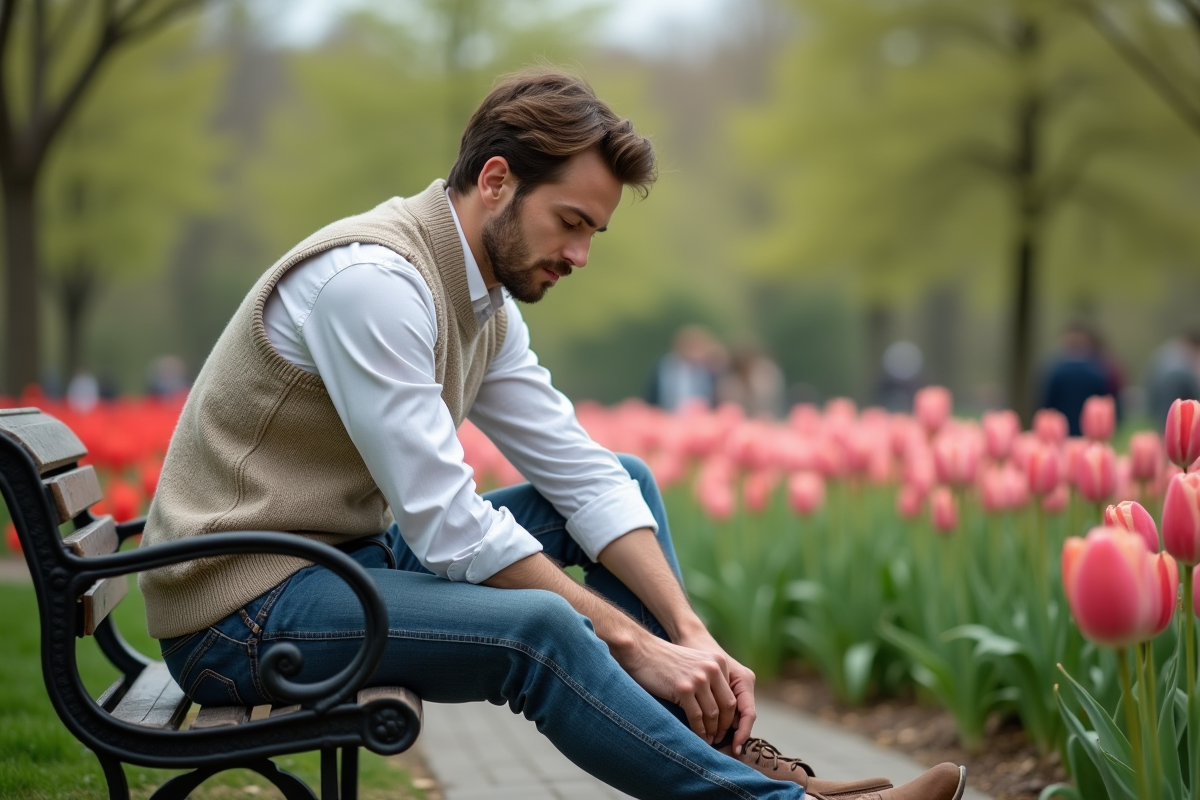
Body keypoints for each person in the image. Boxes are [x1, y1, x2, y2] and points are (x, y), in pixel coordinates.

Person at [139, 69, 965, 800]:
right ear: (496, 180)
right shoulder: (372, 285)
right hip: (239, 611)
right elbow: (444, 522)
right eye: (569, 222)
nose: (580, 254)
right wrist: (631, 642)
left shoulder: (483, 302)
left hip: (337, 567)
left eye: (593, 233)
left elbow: (582, 474)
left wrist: (690, 637)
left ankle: (728, 750)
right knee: (539, 628)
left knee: (628, 481)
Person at [1039, 323, 1109, 437]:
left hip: (1060, 432)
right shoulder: (1097, 372)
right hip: (1088, 434)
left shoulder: (1055, 372)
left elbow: (1046, 406)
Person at [647, 324, 724, 411]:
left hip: (699, 419)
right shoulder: (665, 366)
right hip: (667, 416)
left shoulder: (709, 369)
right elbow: (652, 396)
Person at [1147, 332, 1200, 430]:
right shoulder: (1186, 361)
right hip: (1173, 395)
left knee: (1165, 425)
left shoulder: (1165, 353)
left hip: (1160, 400)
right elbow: (1195, 392)